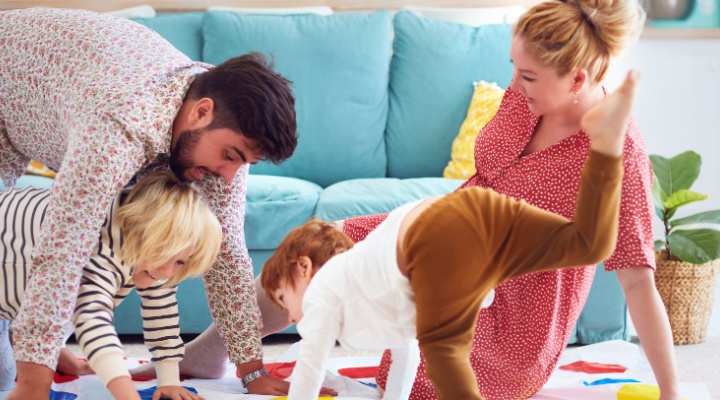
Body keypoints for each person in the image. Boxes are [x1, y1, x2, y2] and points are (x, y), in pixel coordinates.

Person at [341, 1, 681, 399]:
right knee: (319, 247)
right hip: (447, 234)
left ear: (577, 79)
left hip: (514, 316)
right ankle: (249, 358)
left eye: (528, 76)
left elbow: (639, 283)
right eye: (515, 68)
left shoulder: (618, 151)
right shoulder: (527, 96)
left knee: (420, 382)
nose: (514, 84)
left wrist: (671, 393)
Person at [260, 69, 641, 400]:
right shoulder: (369, 292)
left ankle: (474, 293)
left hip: (449, 236)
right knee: (588, 245)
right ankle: (604, 150)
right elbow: (405, 346)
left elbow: (309, 370)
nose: (291, 315)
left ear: (305, 268)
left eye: (283, 298)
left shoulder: (323, 294)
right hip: (471, 219)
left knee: (445, 361)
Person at [0, 7, 297, 400]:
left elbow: (227, 253)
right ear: (200, 112)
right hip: (11, 71)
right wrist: (34, 379)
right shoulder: (117, 128)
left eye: (243, 162)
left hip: (55, 97)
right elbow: (62, 249)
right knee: (12, 380)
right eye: (230, 154)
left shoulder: (220, 132)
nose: (229, 175)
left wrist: (251, 369)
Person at [0, 171, 222, 400]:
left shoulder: (148, 251)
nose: (166, 271)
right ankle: (20, 333)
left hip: (26, 296)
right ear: (140, 230)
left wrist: (169, 381)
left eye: (179, 262)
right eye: (162, 254)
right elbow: (93, 322)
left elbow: (162, 313)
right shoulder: (102, 245)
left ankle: (38, 341)